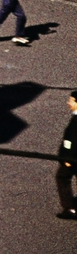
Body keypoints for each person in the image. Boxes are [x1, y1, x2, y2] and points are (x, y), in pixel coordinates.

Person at [57, 90, 77, 220]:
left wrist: (67, 158)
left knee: (62, 177)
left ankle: (70, 208)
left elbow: (73, 140)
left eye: (70, 100)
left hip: (72, 158)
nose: (68, 103)